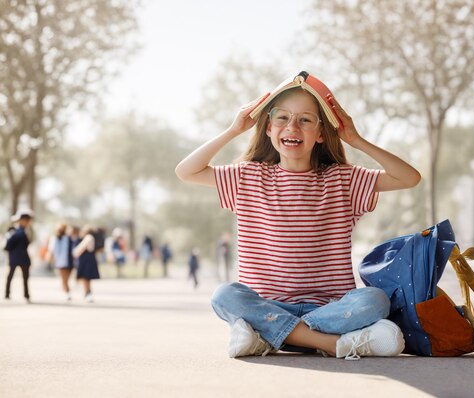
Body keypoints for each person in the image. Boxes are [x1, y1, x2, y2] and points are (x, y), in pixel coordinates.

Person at [175, 74, 421, 360]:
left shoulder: (343, 180)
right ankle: (331, 343)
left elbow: (409, 178)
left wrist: (356, 139)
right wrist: (234, 129)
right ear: (268, 128)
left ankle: (270, 337)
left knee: (376, 300)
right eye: (282, 118)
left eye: (305, 119)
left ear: (320, 133)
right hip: (267, 305)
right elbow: (186, 171)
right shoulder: (247, 177)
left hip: (327, 308)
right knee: (224, 296)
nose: (292, 126)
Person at [4, 209, 34, 303]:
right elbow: (7, 246)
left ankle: (26, 295)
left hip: (23, 258)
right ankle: (7, 294)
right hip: (15, 258)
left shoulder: (23, 232)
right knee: (10, 276)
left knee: (25, 278)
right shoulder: (15, 232)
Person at [72, 225, 100, 303]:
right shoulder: (91, 238)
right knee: (86, 278)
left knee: (85, 278)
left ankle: (87, 293)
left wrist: (75, 252)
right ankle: (86, 293)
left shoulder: (88, 237)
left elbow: (79, 250)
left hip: (86, 261)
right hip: (88, 260)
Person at [47, 223, 74, 301]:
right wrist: (51, 259)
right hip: (60, 262)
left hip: (69, 261)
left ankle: (65, 290)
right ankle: (67, 292)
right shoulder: (54, 238)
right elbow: (51, 249)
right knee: (64, 278)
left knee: (67, 278)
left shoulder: (68, 238)